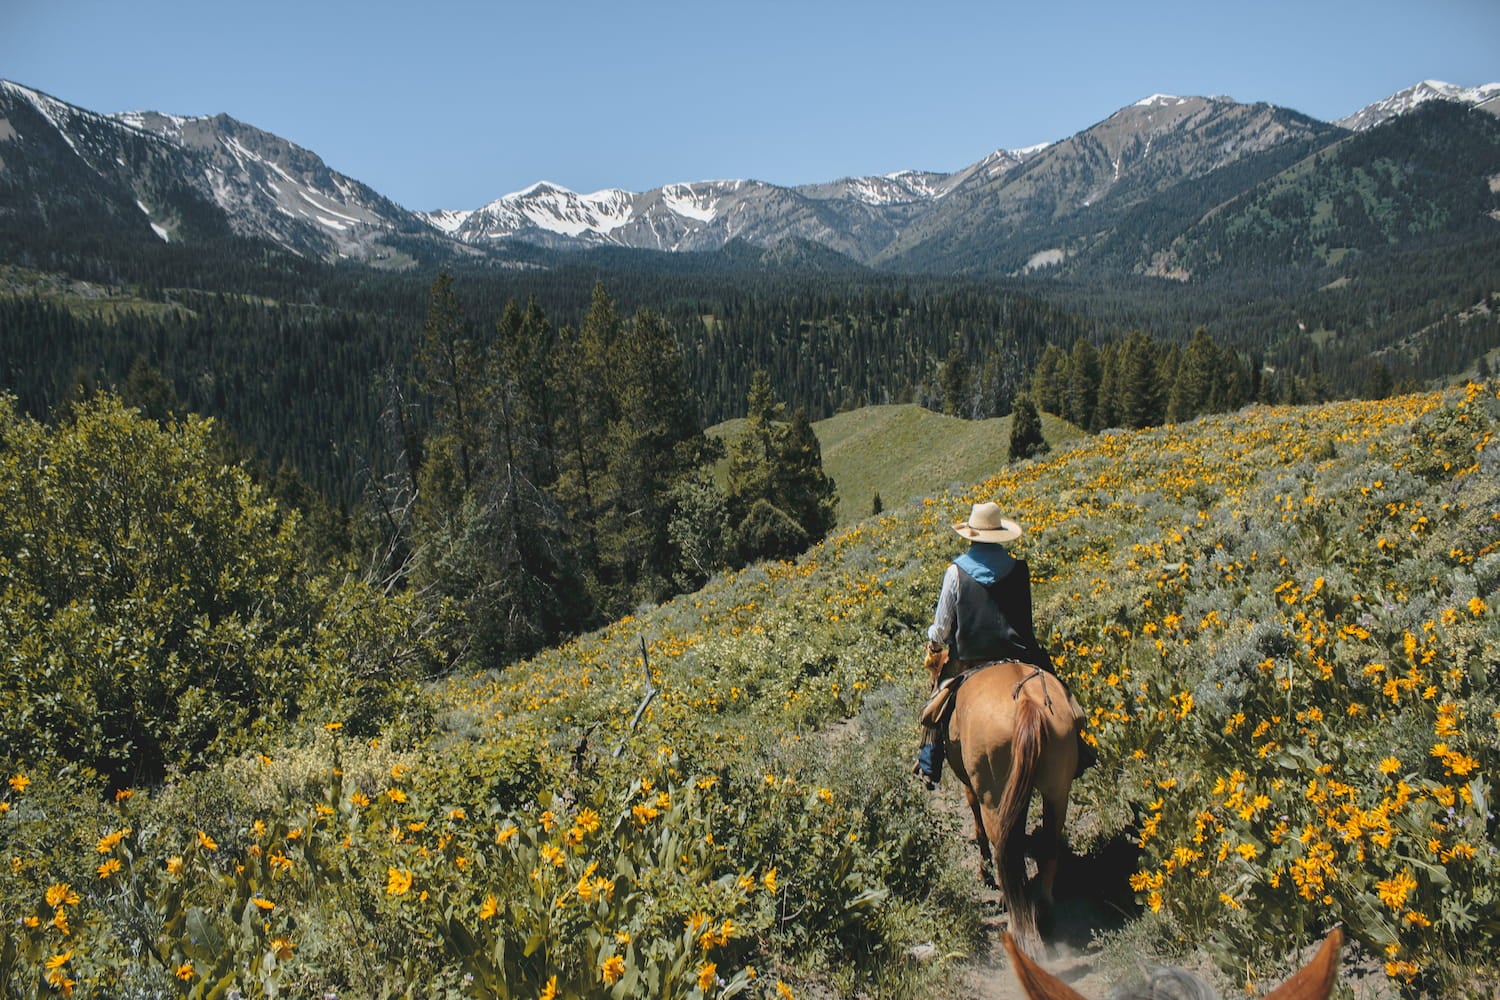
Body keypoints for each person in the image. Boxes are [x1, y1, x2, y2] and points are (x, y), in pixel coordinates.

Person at [915, 501, 1096, 785]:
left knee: (936, 705)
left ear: (971, 535)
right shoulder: (1018, 569)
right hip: (1021, 656)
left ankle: (929, 760)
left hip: (971, 660)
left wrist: (935, 646)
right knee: (1062, 695)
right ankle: (1077, 747)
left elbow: (941, 627)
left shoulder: (956, 573)